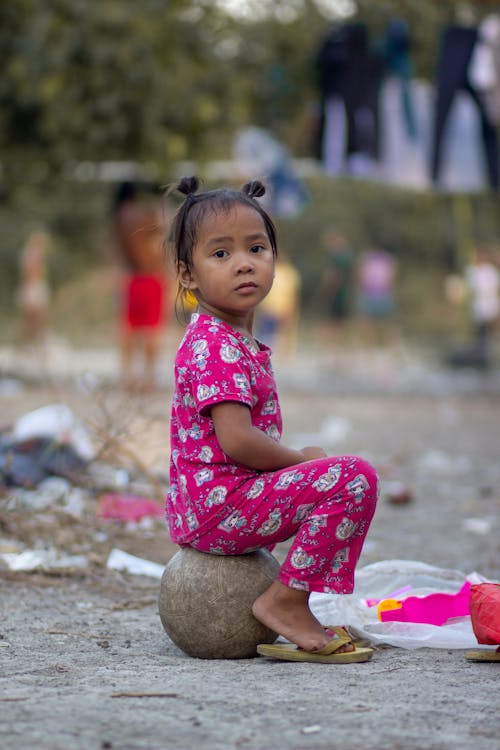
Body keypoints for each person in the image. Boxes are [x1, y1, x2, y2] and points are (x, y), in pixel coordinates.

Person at [164, 176, 379, 663]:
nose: (244, 262)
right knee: (353, 479)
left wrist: (301, 468)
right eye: (221, 254)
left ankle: (290, 597)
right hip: (220, 509)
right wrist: (299, 461)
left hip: (214, 506)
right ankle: (286, 601)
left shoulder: (226, 337)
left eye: (256, 248)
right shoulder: (216, 345)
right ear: (187, 275)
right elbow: (237, 441)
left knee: (334, 476)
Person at [112, 181, 169, 391]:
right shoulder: (144, 215)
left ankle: (127, 378)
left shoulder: (119, 217)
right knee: (152, 331)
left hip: (130, 279)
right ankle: (149, 379)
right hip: (151, 278)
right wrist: (159, 202)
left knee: (128, 330)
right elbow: (162, 231)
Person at [256, 251, 301, 360]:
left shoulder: (279, 273)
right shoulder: (290, 273)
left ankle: (270, 354)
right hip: (278, 308)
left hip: (275, 308)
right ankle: (281, 355)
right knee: (273, 333)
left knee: (268, 333)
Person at [464, 246, 499, 366]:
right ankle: (480, 356)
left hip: (489, 310)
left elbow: (492, 291)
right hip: (478, 310)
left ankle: (487, 356)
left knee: (488, 335)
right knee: (480, 334)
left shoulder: (491, 272)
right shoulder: (472, 271)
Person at [17, 230, 51, 345]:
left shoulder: (35, 253)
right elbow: (29, 272)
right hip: (33, 287)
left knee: (37, 317)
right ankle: (31, 342)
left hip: (35, 286)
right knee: (33, 317)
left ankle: (34, 342)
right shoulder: (32, 253)